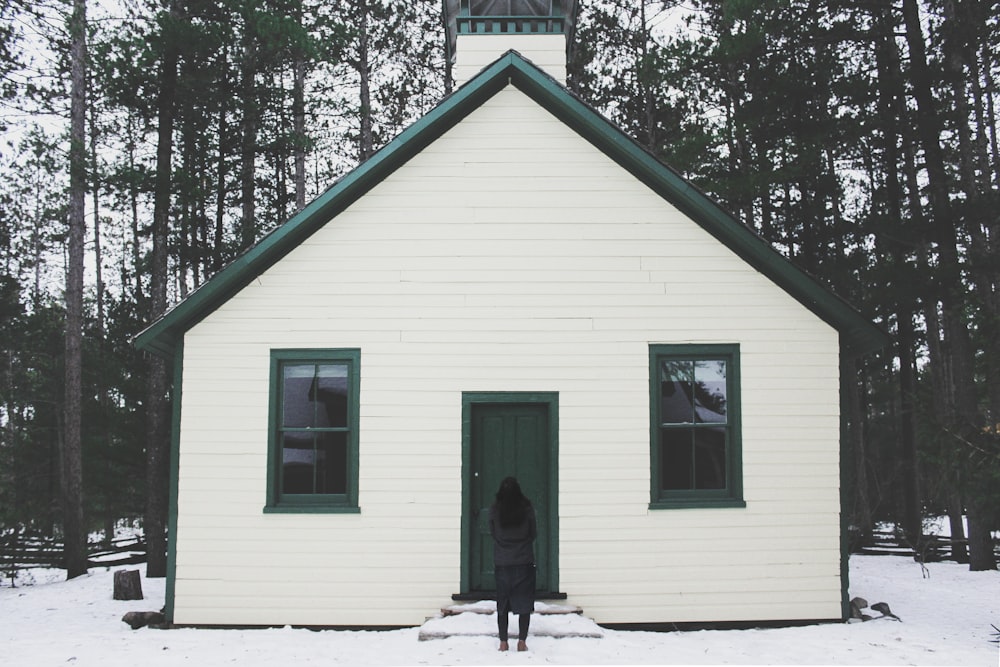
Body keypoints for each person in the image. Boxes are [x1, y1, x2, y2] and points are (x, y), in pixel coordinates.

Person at [488, 476, 537, 652]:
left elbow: (493, 531)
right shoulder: (526, 508)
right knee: (524, 603)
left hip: (502, 562)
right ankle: (522, 641)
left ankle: (503, 641)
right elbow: (533, 532)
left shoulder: (495, 510)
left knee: (503, 603)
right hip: (524, 561)